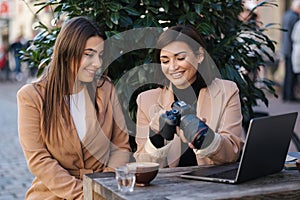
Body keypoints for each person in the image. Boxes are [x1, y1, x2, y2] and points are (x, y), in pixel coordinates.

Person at [17, 16, 131, 199]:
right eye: (89, 54)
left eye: (100, 55)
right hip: (52, 195)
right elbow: (39, 160)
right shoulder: (32, 96)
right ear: (67, 52)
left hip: (102, 191)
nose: (98, 64)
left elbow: (120, 147)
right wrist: (84, 194)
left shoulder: (105, 88)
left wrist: (103, 189)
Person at [134, 25, 244, 168]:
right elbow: (142, 166)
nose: (173, 67)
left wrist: (206, 138)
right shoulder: (146, 100)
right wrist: (156, 138)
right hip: (167, 186)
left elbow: (232, 153)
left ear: (199, 55)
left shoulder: (227, 91)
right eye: (165, 61)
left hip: (213, 185)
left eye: (180, 58)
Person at [281, 0, 300, 102]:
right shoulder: (295, 17)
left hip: (285, 47)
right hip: (292, 49)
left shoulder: (286, 14)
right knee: (290, 74)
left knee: (287, 73)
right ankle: (289, 95)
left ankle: (286, 95)